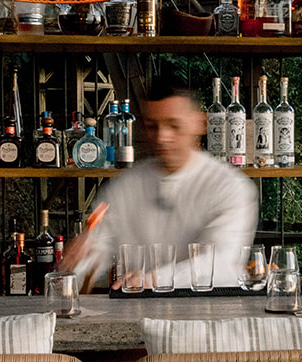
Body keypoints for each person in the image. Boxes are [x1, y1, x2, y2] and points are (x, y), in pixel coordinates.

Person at [64, 79, 257, 291]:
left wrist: (153, 279)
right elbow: (98, 246)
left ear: (200, 123)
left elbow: (221, 264)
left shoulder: (230, 186)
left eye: (174, 125)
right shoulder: (125, 187)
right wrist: (82, 258)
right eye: (152, 126)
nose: (162, 137)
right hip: (136, 315)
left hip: (205, 315)